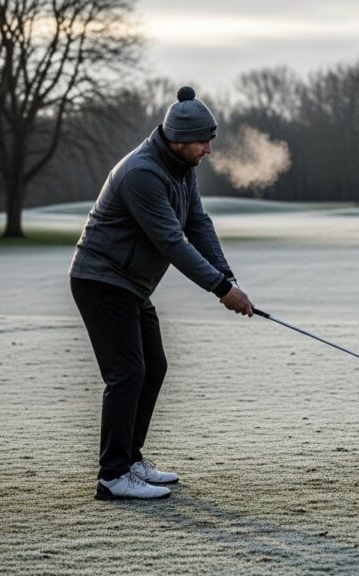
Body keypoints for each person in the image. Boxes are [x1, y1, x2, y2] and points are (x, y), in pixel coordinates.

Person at [70, 86, 254, 500]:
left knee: (153, 367)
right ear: (180, 138)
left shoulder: (181, 166)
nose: (209, 149)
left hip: (130, 284)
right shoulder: (142, 173)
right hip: (101, 281)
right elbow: (172, 241)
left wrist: (227, 277)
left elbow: (198, 223)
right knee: (127, 373)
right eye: (203, 141)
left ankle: (130, 460)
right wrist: (221, 289)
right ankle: (112, 476)